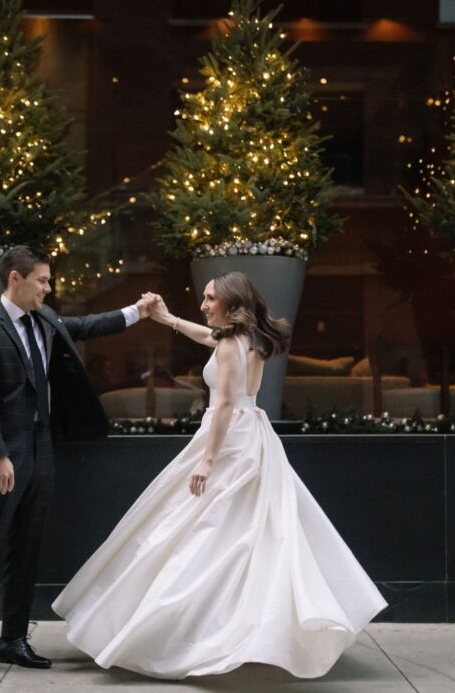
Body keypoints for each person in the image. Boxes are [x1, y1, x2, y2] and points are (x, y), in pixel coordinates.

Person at [52, 272, 388, 680]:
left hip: (228, 441)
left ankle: (192, 631)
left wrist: (207, 460)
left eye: (211, 299)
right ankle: (241, 626)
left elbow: (225, 403)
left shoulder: (230, 342)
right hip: (253, 436)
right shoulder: (250, 337)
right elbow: (207, 338)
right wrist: (168, 319)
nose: (205, 305)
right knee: (247, 534)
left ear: (231, 303)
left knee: (203, 532)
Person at [0, 245, 153, 679]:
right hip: (3, 457)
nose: (49, 289)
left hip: (41, 449)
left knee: (26, 548)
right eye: (42, 281)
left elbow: (86, 326)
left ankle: (12, 639)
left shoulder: (46, 320)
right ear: (15, 279)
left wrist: (137, 311)